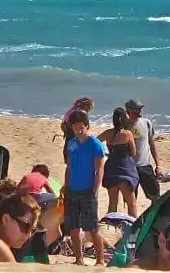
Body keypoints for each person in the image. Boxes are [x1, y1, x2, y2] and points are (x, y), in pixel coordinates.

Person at [63, 108, 108, 266]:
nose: (78, 129)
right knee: (74, 227)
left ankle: (100, 260)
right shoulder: (71, 143)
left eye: (81, 126)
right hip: (72, 190)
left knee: (92, 228)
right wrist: (65, 186)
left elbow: (99, 170)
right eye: (75, 126)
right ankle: (79, 259)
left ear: (87, 126)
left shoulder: (95, 144)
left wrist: (94, 190)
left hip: (88, 190)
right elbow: (69, 167)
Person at [98, 107, 139, 218]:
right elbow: (133, 152)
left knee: (112, 203)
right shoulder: (127, 134)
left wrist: (103, 154)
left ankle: (111, 228)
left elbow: (94, 142)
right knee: (131, 204)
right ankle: (133, 229)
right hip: (125, 169)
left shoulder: (107, 133)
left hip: (111, 168)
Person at [126, 99, 162, 201]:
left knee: (155, 196)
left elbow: (152, 144)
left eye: (140, 109)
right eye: (136, 110)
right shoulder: (124, 125)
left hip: (145, 166)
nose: (139, 112)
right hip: (130, 167)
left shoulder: (146, 123)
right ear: (129, 110)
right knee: (131, 199)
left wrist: (158, 165)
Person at [60, 97, 94, 162]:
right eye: (90, 107)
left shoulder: (72, 110)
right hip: (76, 137)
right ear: (86, 106)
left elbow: (63, 124)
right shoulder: (81, 113)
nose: (90, 109)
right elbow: (86, 127)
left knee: (69, 160)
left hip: (68, 136)